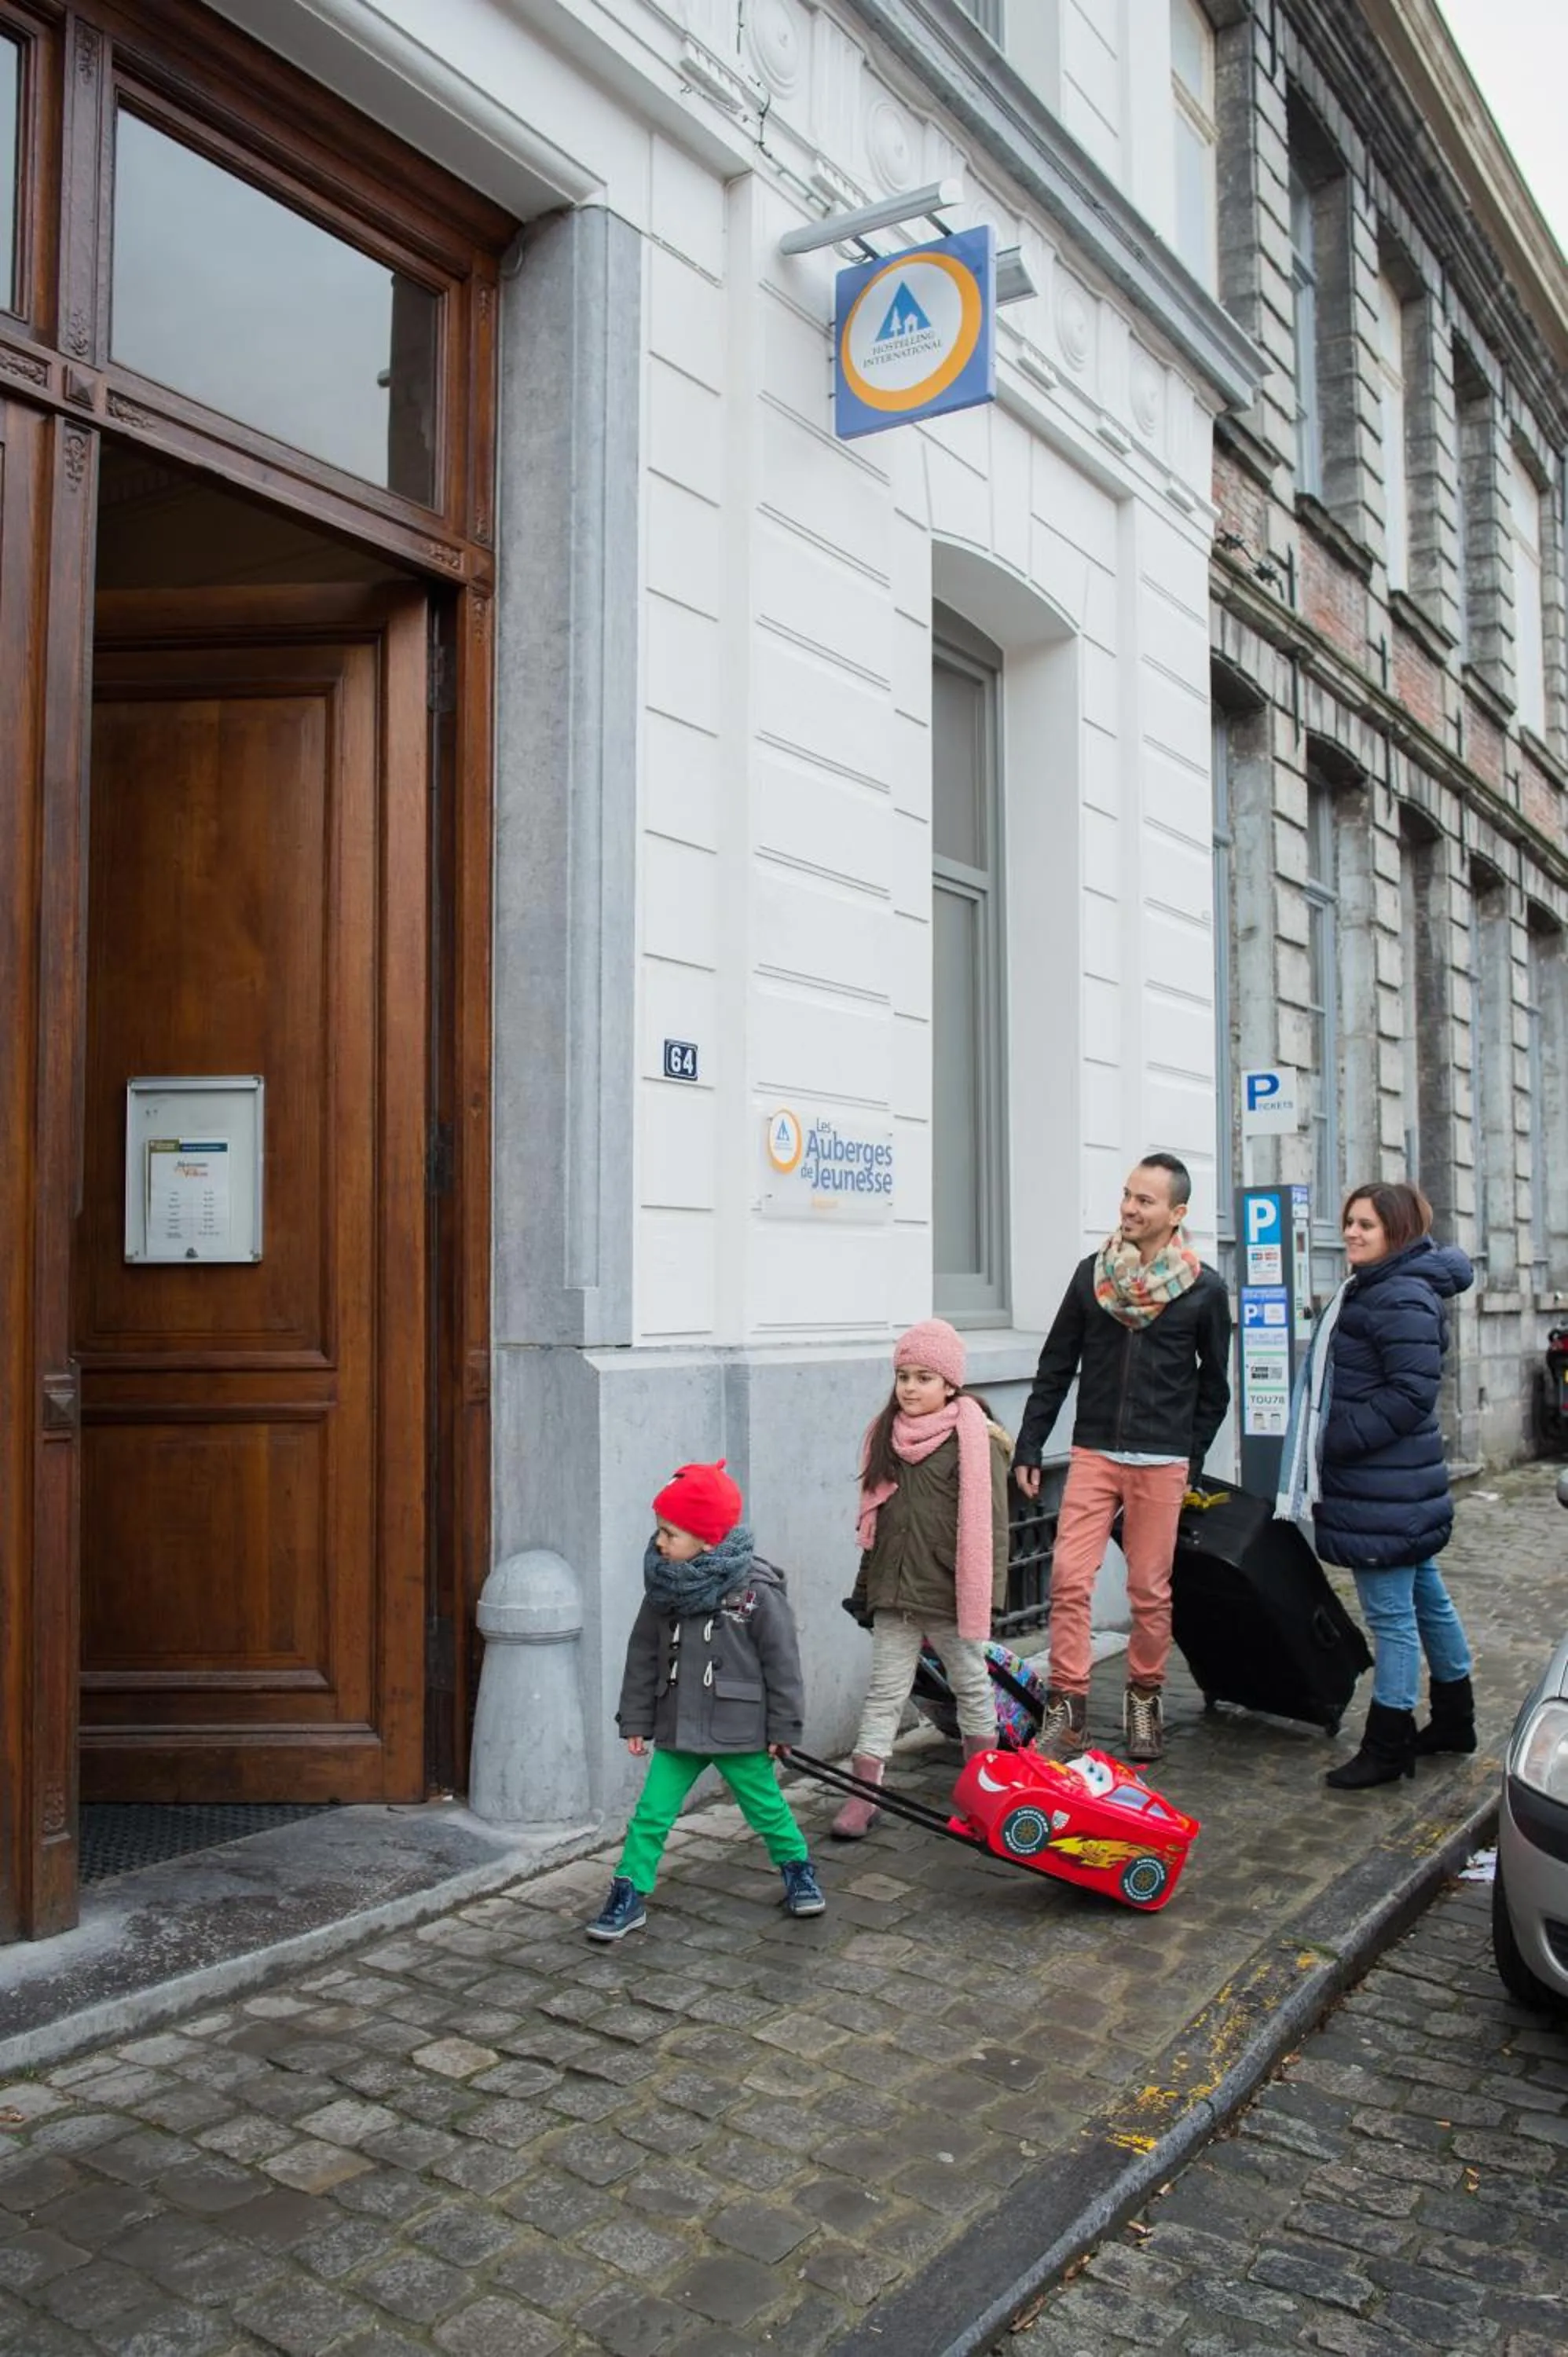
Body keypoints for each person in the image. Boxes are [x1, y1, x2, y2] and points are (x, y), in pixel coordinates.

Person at [1012, 1155, 1232, 1765]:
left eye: (1145, 1200)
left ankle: (1144, 1696)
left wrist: (1189, 1460)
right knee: (1068, 1580)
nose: (1130, 1208)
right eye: (1128, 1195)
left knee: (1149, 1592)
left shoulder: (1204, 1289)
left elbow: (1215, 1387)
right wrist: (1031, 1443)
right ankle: (1068, 1711)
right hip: (1094, 1452)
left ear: (1177, 1213)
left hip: (1161, 1461)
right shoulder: (1092, 1276)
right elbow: (1056, 1366)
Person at [1277, 1180, 1475, 1790]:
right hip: (1394, 1488)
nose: (1351, 1233)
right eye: (1349, 1222)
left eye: (1365, 1224)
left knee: (1391, 1618)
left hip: (1382, 1488)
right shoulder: (1379, 1286)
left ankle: (1388, 1745)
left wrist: (1331, 1439)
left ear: (1397, 1231)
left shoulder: (1399, 1294)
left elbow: (1412, 1394)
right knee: (1428, 1601)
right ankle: (1455, 1721)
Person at [586, 1459, 826, 1941]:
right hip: (677, 1727)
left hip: (739, 1730)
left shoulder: (755, 1593)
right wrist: (636, 1719)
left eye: (670, 1533)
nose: (659, 1542)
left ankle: (798, 1869)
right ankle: (629, 1891)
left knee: (766, 1809)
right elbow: (643, 1656)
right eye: (659, 1530)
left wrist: (783, 1729)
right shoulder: (663, 1590)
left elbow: (782, 1665)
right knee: (651, 1815)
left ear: (708, 1540)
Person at [830, 1320, 1011, 1840]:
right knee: (885, 1693)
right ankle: (864, 1795)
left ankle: (985, 1789)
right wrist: (867, 1587)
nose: (910, 1388)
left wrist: (988, 1596)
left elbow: (994, 1528)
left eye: (924, 1378)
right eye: (903, 1376)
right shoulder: (885, 1437)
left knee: (971, 1684)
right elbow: (878, 1521)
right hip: (895, 1590)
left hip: (951, 1589)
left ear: (950, 1385)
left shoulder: (976, 1441)